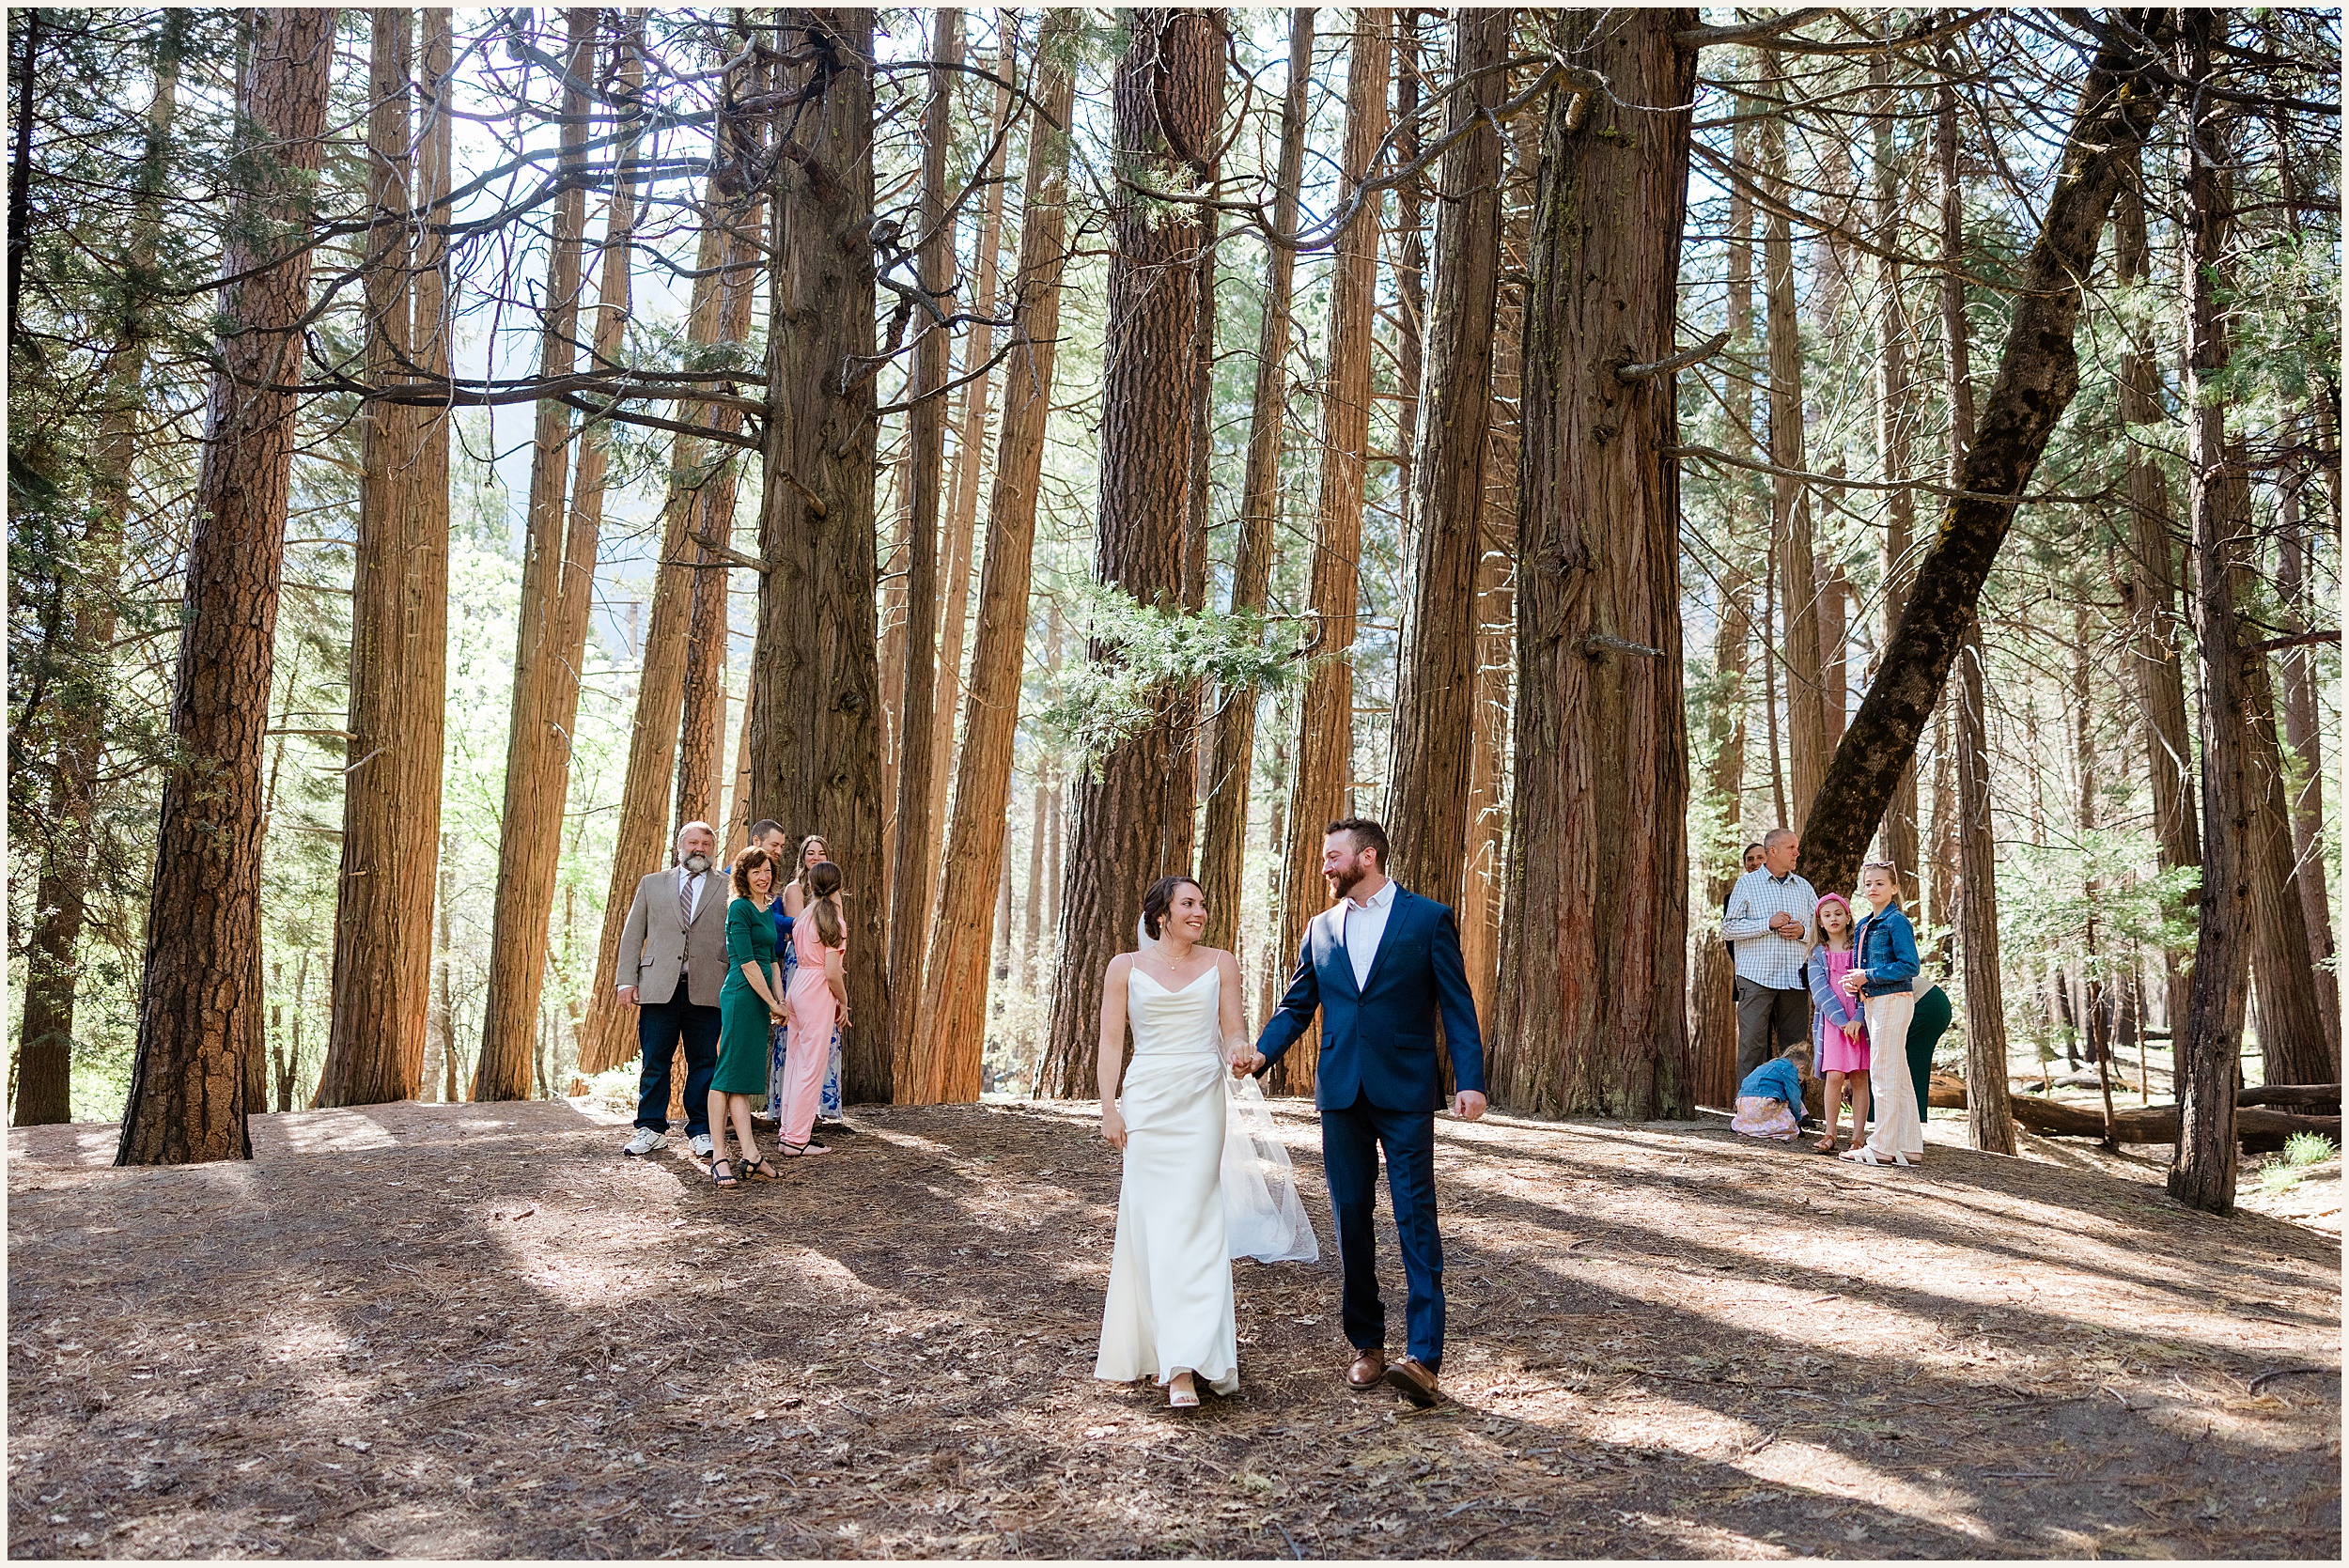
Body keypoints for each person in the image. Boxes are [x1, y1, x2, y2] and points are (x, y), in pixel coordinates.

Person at [1232, 817, 1486, 1409]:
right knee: (1351, 1216)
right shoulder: (1320, 930)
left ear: (1366, 857)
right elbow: (1297, 1007)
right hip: (1341, 1092)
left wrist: (1469, 1081)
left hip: (1404, 1091)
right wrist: (1262, 1053)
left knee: (1415, 1216)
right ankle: (1367, 1346)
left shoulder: (1427, 919)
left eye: (1332, 857)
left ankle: (1423, 1358)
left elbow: (1457, 1004)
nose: (1324, 867)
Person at [1095, 877, 1251, 1409]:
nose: (1200, 912)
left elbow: (1232, 1030)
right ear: (1162, 914)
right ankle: (1169, 1356)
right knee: (1154, 1227)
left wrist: (1239, 1049)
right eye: (1188, 904)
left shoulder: (1221, 963)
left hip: (1201, 1100)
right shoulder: (1126, 968)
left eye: (1203, 904)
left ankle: (1193, 1358)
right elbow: (1112, 1041)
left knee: (1198, 1222)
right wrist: (1109, 1107)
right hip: (1148, 1102)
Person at [613, 821, 730, 1159]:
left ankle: (702, 1130)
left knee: (705, 1061)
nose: (700, 848)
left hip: (709, 986)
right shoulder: (652, 884)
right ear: (680, 846)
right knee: (655, 1060)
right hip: (658, 987)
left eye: (706, 844)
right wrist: (626, 980)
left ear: (713, 848)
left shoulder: (726, 887)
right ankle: (650, 1128)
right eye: (693, 842)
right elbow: (633, 933)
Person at [709, 847, 787, 1188]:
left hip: (761, 998)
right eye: (756, 871)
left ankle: (751, 1156)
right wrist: (772, 1002)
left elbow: (770, 960)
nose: (763, 876)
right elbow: (747, 963)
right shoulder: (739, 908)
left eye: (767, 870)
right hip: (742, 994)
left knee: (740, 1078)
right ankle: (718, 1156)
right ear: (744, 875)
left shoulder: (766, 908)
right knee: (725, 1077)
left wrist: (780, 999)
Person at [1841, 862, 1924, 1167]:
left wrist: (1869, 975)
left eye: (1879, 883)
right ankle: (1910, 1146)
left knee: (1882, 1072)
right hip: (1875, 1001)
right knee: (1898, 1074)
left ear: (1894, 888)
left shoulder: (1896, 921)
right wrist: (1856, 982)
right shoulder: (1864, 924)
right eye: (1868, 883)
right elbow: (1862, 969)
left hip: (1893, 1000)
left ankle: (1881, 1147)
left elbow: (1909, 966)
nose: (1872, 888)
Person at [1720, 828, 1816, 1079]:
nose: (1797, 852)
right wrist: (1767, 923)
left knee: (1795, 1050)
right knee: (1752, 1046)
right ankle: (1749, 1111)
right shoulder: (1747, 884)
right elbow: (1728, 928)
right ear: (1772, 851)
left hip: (1795, 979)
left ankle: (1794, 1110)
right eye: (1791, 848)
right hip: (1755, 978)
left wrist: (1804, 931)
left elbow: (1822, 929)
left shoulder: (1805, 888)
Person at [778, 860, 849, 1157]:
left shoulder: (806, 916)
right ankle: (796, 1139)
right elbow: (832, 972)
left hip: (798, 986)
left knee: (796, 1062)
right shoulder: (833, 922)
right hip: (816, 990)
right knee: (811, 1066)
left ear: (810, 886)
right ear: (839, 887)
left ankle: (788, 1132)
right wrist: (843, 1001)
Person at [1805, 893, 1870, 1156]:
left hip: (1860, 1023)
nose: (1833, 919)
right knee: (1834, 1077)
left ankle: (1858, 1137)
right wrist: (1843, 1022)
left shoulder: (1860, 951)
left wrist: (1858, 1018)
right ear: (1820, 922)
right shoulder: (1818, 954)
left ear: (1848, 917)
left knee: (1860, 1077)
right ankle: (1830, 1132)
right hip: (1834, 1025)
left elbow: (1869, 986)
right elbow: (1820, 992)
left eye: (1838, 913)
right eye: (1827, 915)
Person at [1731, 1039, 1814, 1141]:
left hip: (1743, 1102)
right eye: (1800, 1080)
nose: (1798, 1083)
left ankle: (1744, 1126)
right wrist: (1797, 1118)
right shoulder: (1790, 1069)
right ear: (1801, 1068)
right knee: (1790, 1125)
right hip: (1763, 1103)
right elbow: (1794, 1096)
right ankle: (1773, 1129)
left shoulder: (1771, 1065)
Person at [1906, 982, 1953, 1126]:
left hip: (1927, 1004)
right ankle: (1906, 1130)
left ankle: (1900, 1131)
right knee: (1909, 1064)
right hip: (1935, 1001)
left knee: (1904, 1063)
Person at [1720, 841, 1766, 955]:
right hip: (1747, 963)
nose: (1755, 862)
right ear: (1745, 865)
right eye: (1750, 859)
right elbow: (1729, 939)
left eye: (1760, 858)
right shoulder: (1731, 897)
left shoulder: (1782, 891)